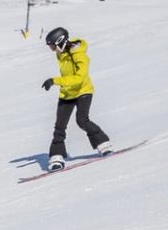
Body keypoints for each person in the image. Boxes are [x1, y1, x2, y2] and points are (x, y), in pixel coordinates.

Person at [40, 27, 113, 170]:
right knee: (59, 126)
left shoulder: (79, 55)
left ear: (60, 42)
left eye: (52, 46)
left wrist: (55, 81)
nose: (52, 49)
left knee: (82, 120)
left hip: (83, 91)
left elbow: (79, 79)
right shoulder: (61, 53)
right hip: (67, 93)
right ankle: (57, 156)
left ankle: (103, 143)